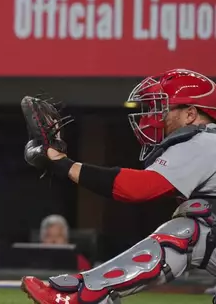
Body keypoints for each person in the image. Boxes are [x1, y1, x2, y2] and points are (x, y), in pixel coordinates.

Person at [21, 68, 216, 304]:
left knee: (191, 228)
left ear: (191, 114)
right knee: (201, 218)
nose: (151, 117)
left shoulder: (205, 141)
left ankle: (84, 295)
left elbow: (139, 188)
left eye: (162, 109)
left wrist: (63, 164)